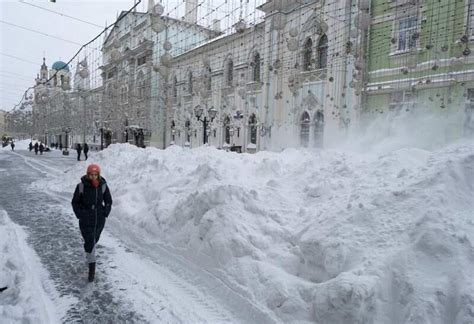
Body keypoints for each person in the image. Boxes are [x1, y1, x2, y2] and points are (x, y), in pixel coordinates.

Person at [71, 164, 112, 282]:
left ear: (98, 175)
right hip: (86, 218)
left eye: (95, 175)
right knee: (90, 242)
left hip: (99, 219)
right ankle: (91, 272)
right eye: (91, 174)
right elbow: (75, 202)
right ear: (88, 174)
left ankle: (89, 254)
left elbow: (108, 201)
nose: (93, 177)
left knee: (94, 240)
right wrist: (80, 214)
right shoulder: (81, 186)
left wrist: (105, 212)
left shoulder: (103, 186)